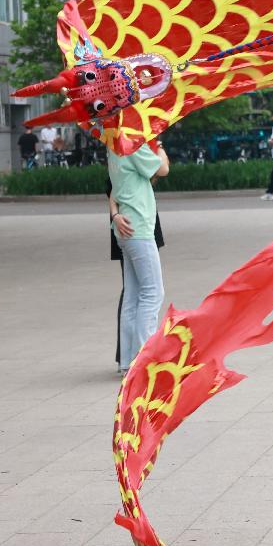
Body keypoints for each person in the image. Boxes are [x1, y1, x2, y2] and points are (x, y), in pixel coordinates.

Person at [109, 139, 170, 374]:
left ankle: (128, 362)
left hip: (125, 228)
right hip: (139, 229)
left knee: (133, 295)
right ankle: (143, 362)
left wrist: (114, 214)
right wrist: (159, 145)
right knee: (153, 293)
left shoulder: (113, 145)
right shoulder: (132, 144)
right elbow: (163, 169)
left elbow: (114, 189)